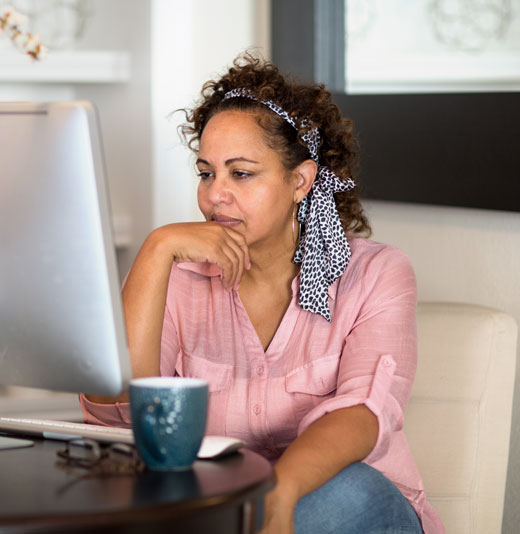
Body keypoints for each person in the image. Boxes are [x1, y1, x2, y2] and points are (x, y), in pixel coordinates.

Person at [80, 53, 444, 534]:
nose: (215, 195)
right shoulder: (172, 274)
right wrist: (156, 247)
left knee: (350, 490)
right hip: (215, 512)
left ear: (300, 181)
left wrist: (282, 490)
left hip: (344, 508)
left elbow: (363, 413)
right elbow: (119, 410)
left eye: (241, 173)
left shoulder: (377, 273)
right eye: (207, 173)